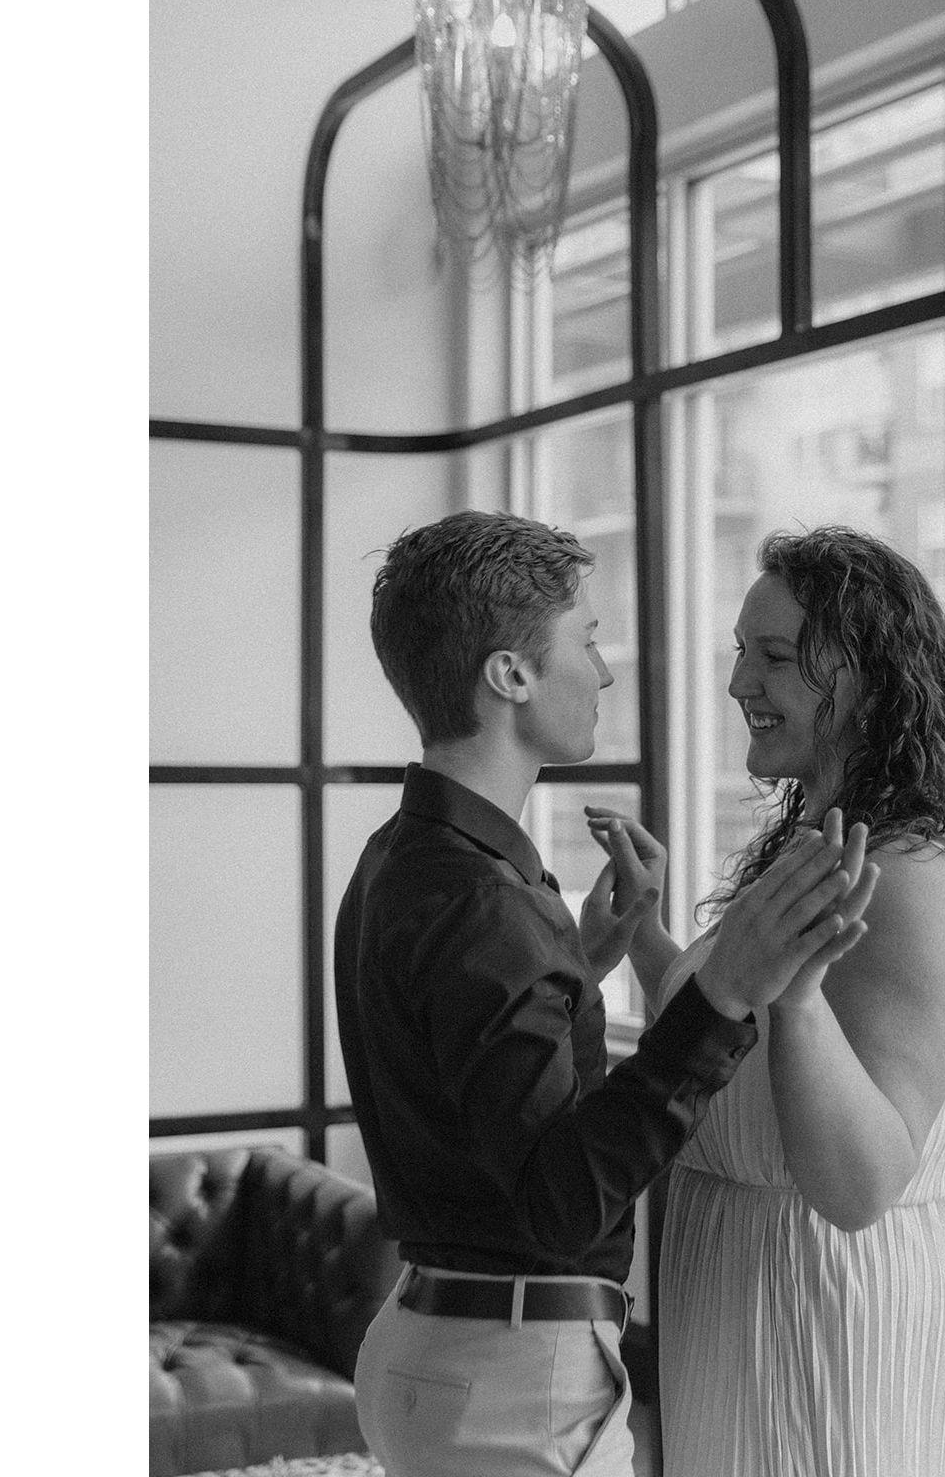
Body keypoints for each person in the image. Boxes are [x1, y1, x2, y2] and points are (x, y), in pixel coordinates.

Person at [336, 510, 878, 1477]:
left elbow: (461, 1090)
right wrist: (723, 993)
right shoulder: (485, 902)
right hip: (509, 1385)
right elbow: (560, 1202)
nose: (605, 673)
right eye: (587, 641)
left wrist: (581, 963)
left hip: (437, 1351)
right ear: (512, 675)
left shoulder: (401, 858)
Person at [587, 524, 945, 1476]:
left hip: (842, 1335)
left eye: (775, 658)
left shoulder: (907, 890)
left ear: (869, 683)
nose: (739, 682)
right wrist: (648, 936)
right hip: (744, 1324)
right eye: (743, 651)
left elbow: (860, 1184)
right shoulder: (816, 851)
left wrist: (800, 1000)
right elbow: (741, 1044)